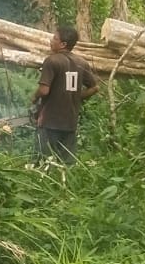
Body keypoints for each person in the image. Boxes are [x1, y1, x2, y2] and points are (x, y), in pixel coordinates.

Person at [30, 26, 99, 163]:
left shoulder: (52, 60)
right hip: (70, 122)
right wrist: (76, 96)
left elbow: (44, 90)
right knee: (67, 165)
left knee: (43, 163)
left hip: (50, 121)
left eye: (55, 38)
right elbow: (95, 87)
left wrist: (34, 97)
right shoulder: (82, 63)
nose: (51, 40)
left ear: (63, 44)